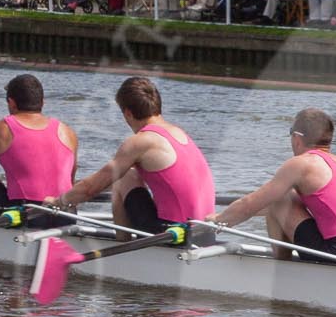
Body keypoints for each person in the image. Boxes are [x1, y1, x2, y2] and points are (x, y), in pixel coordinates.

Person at [206, 107, 336, 268]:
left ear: (296, 138)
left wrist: (218, 220)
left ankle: (282, 274)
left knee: (280, 199)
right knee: (285, 200)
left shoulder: (301, 164)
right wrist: (240, 214)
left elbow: (250, 204)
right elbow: (258, 208)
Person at [50, 77, 214, 233]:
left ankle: (122, 243)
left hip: (175, 232)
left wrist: (60, 201)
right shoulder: (179, 133)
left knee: (123, 177)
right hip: (204, 231)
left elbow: (92, 188)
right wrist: (76, 189)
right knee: (127, 174)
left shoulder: (141, 142)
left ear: (128, 113)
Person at [0, 73, 78, 224]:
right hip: (67, 217)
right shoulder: (67, 132)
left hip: (22, 215)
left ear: (11, 103)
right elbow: (71, 180)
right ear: (42, 102)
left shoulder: (0, 129)